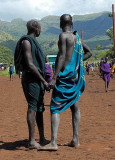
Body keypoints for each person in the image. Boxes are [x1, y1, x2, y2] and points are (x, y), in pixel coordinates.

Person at [38, 14, 92, 151]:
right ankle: (75, 139)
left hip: (65, 76)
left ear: (60, 24)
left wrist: (55, 77)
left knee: (55, 107)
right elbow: (89, 53)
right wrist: (76, 64)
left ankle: (54, 142)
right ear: (71, 24)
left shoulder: (63, 36)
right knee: (75, 106)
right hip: (75, 77)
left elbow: (61, 56)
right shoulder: (77, 38)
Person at [14, 20, 49, 149]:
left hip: (37, 79)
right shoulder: (27, 42)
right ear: (36, 28)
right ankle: (32, 141)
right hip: (31, 79)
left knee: (39, 108)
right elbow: (30, 64)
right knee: (33, 107)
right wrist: (44, 80)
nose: (41, 30)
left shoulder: (33, 42)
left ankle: (42, 138)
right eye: (40, 28)